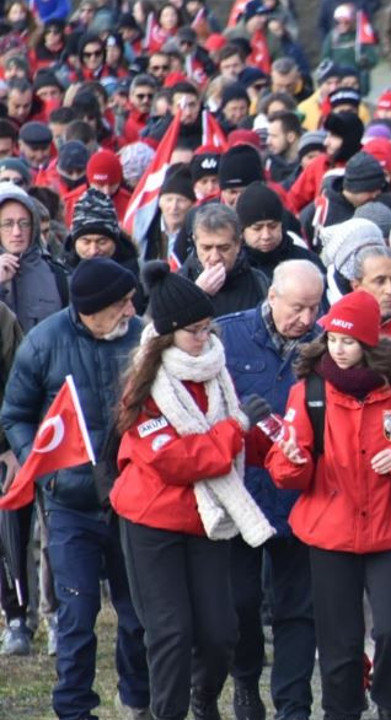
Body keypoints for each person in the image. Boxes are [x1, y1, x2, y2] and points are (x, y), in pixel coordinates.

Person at [267, 290, 391, 720]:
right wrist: (292, 461)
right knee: (340, 643)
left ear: (369, 342)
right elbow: (286, 468)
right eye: (332, 339)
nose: (339, 349)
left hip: (389, 530)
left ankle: (390, 705)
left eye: (349, 341)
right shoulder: (310, 390)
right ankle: (342, 711)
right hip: (330, 533)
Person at [112, 261, 277, 719]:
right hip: (153, 519)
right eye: (194, 332)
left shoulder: (216, 371)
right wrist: (237, 428)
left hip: (208, 518)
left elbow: (239, 443)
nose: (204, 339)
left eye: (208, 329)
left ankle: (203, 697)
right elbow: (175, 460)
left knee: (221, 632)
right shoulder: (144, 388)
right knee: (170, 632)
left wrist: (271, 442)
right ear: (167, 334)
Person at [1, 259, 148, 719]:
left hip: (134, 501)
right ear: (92, 308)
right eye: (122, 302)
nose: (131, 309)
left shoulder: (143, 339)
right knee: (78, 615)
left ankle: (138, 699)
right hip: (70, 506)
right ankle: (73, 708)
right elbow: (16, 414)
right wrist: (46, 471)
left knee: (136, 613)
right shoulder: (44, 343)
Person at [219, 260, 327, 720]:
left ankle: (293, 703)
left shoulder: (326, 344)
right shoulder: (229, 336)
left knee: (298, 608)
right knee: (241, 602)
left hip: (302, 494)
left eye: (313, 307)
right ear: (272, 297)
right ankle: (245, 682)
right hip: (243, 494)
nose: (305, 319)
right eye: (297, 308)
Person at [180, 203, 271, 317]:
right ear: (195, 242)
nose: (214, 257)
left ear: (238, 244)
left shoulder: (259, 283)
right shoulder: (178, 283)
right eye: (206, 248)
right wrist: (197, 294)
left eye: (223, 248)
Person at [0, 182, 66, 331]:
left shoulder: (57, 276)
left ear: (34, 226)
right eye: (7, 224)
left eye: (24, 223)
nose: (17, 232)